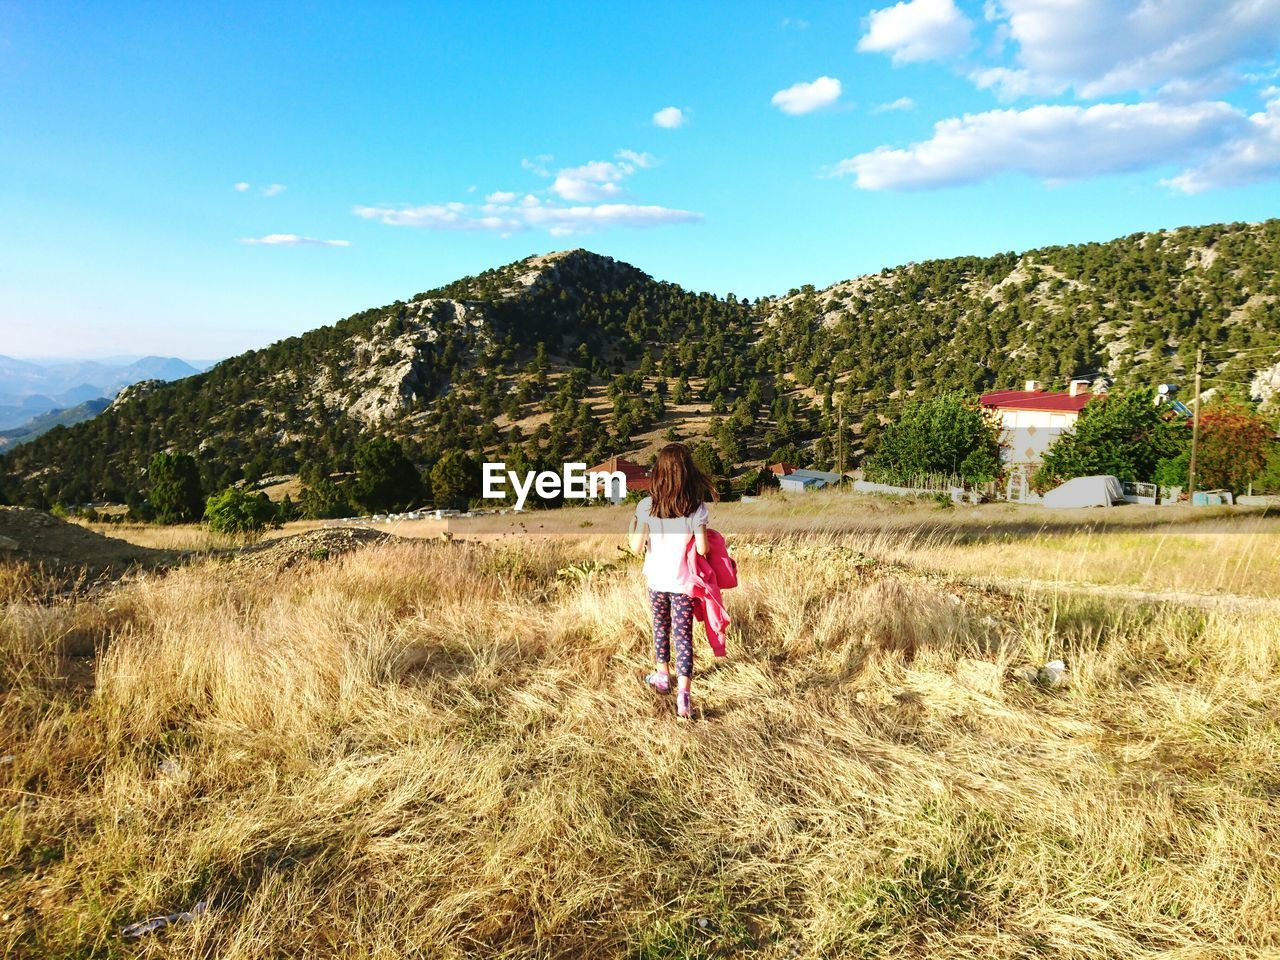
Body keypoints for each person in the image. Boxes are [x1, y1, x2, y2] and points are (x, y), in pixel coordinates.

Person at [627, 443, 717, 719]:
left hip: (656, 580)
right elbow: (702, 549)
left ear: (659, 474)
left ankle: (662, 675)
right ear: (687, 473)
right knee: (683, 635)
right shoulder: (695, 508)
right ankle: (684, 697)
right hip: (684, 583)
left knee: (660, 627)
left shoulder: (647, 506)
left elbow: (635, 547)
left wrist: (634, 524)